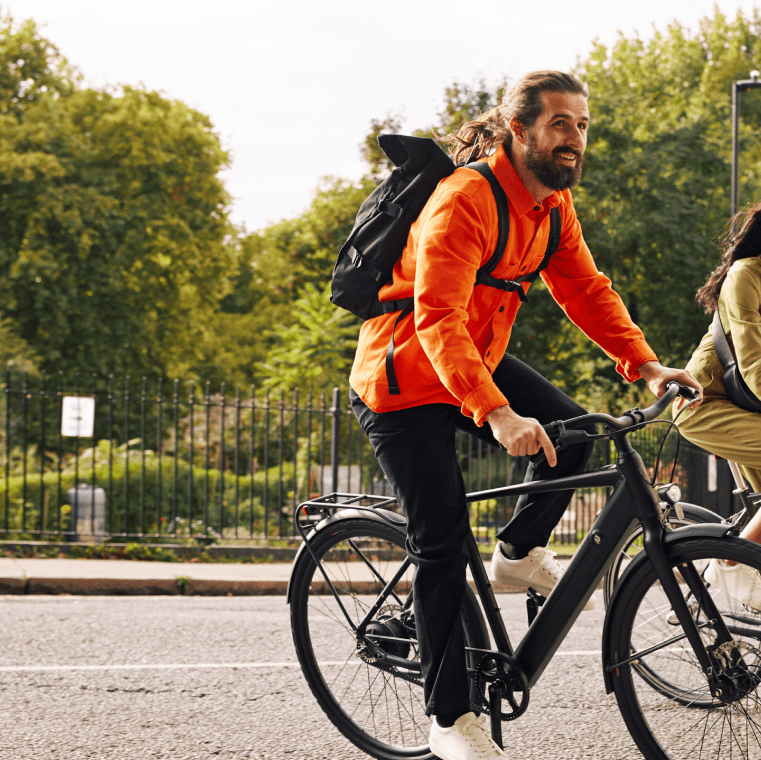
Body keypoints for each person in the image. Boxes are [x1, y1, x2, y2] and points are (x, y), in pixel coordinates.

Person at [349, 70, 701, 760]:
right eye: (560, 123)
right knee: (441, 546)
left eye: (582, 125)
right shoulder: (464, 201)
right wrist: (497, 413)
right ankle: (450, 720)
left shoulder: (552, 208)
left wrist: (644, 363)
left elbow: (584, 289)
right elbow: (437, 318)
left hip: (471, 360)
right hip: (404, 376)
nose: (575, 138)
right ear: (519, 130)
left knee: (573, 436)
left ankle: (514, 554)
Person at [674, 202, 761, 609]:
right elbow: (754, 365)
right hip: (705, 406)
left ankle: (716, 580)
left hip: (748, 409)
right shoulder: (746, 275)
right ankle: (729, 564)